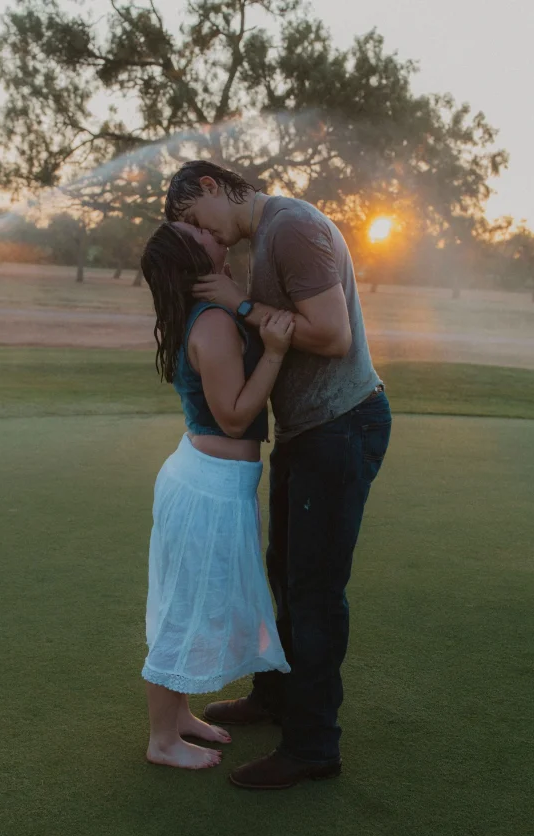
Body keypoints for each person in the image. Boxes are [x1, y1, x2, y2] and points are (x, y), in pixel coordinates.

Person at [165, 161, 392, 790]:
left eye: (193, 219)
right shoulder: (265, 240)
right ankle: (275, 698)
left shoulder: (290, 228)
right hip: (307, 431)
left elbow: (333, 335)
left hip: (341, 425)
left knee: (314, 591)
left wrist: (237, 302)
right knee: (284, 576)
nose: (199, 235)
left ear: (210, 187)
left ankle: (314, 745)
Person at [139, 220, 292, 770]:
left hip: (212, 483)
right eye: (194, 232)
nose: (206, 228)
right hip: (207, 487)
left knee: (187, 601)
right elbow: (233, 416)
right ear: (189, 258)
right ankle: (161, 740)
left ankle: (176, 716)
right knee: (184, 609)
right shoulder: (212, 324)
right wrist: (274, 351)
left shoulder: (213, 310)